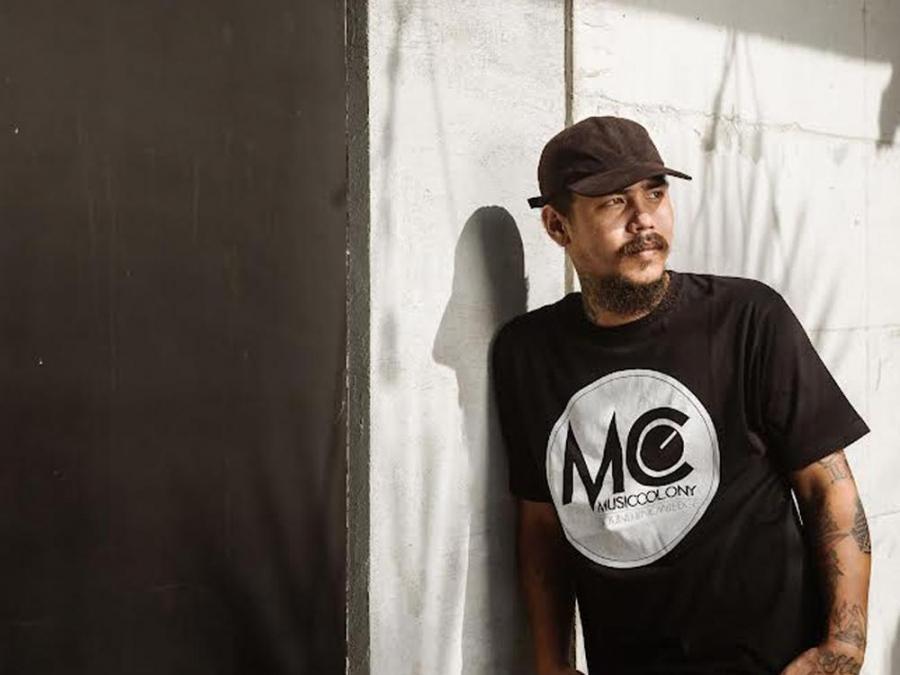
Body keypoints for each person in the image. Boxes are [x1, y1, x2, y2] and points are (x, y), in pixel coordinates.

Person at [490, 116, 871, 674]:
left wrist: (845, 645)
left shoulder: (748, 319)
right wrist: (552, 663)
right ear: (557, 226)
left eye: (655, 193)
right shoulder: (527, 354)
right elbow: (542, 522)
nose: (644, 219)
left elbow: (827, 487)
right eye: (614, 201)